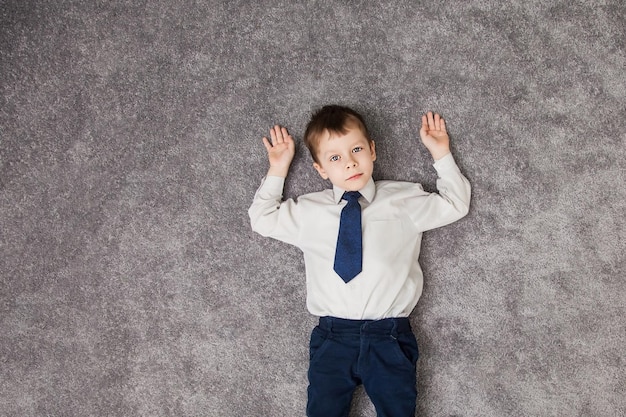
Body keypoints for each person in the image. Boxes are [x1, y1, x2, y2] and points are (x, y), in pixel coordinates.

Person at [248, 105, 471, 417]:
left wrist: (441, 154)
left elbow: (455, 204)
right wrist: (278, 168)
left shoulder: (402, 199)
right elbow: (261, 219)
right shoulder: (309, 212)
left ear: (372, 150)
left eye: (356, 149)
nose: (350, 162)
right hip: (332, 336)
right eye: (335, 157)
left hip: (389, 334)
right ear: (321, 169)